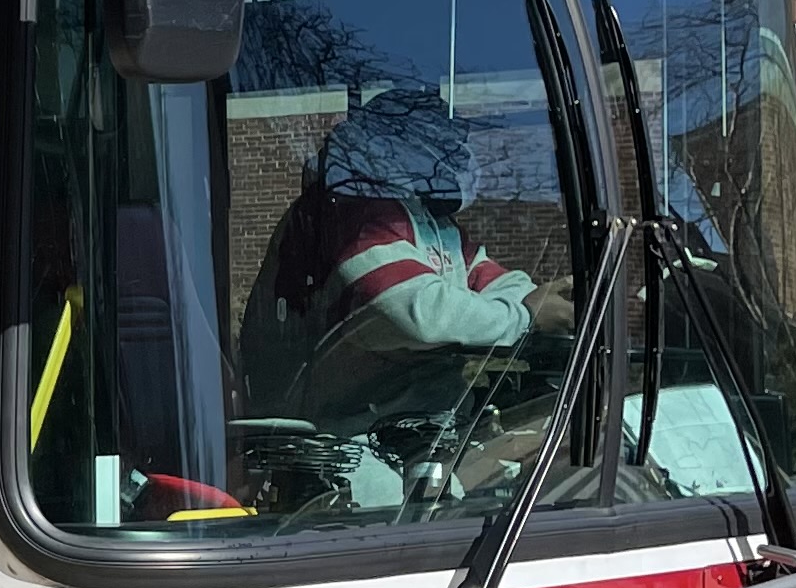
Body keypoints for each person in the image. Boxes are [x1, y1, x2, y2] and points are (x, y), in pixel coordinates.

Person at [242, 82, 568, 432]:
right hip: (339, 436)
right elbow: (414, 311)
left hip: (407, 426)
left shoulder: (432, 224)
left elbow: (496, 281)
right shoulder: (358, 213)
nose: (460, 158)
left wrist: (543, 301)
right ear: (400, 147)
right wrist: (524, 317)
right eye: (446, 144)